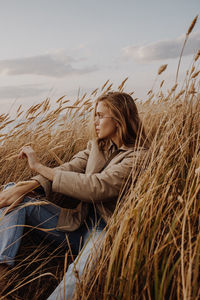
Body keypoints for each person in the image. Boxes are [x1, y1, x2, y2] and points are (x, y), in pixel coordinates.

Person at [0, 92, 149, 299]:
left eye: (100, 115)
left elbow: (95, 187)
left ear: (119, 118)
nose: (95, 121)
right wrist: (25, 187)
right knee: (14, 191)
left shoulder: (138, 156)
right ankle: (3, 268)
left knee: (76, 275)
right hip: (77, 224)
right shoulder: (97, 146)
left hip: (104, 232)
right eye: (94, 115)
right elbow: (70, 168)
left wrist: (38, 166)